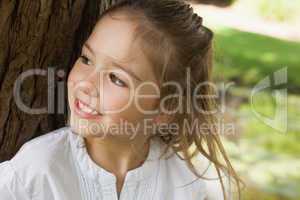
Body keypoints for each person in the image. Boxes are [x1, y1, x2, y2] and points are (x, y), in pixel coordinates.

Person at [0, 0, 241, 199]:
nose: (86, 84)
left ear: (164, 110)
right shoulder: (37, 172)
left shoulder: (189, 186)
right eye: (86, 59)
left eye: (116, 78)